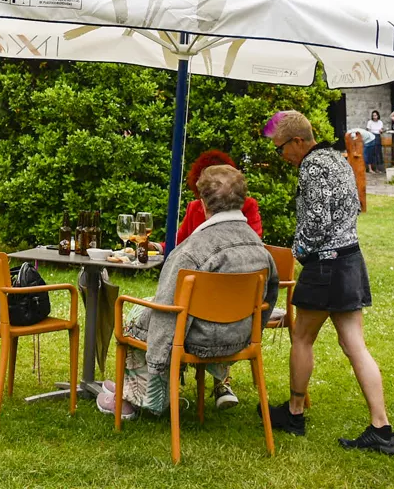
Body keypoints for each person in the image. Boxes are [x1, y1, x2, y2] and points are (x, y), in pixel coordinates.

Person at [263, 110, 394, 455]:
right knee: (355, 344)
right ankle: (381, 428)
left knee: (302, 337)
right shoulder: (337, 159)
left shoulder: (311, 166)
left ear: (297, 142)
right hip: (350, 258)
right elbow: (351, 207)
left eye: (281, 149)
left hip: (325, 265)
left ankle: (294, 414)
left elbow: (318, 220)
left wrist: (299, 249)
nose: (282, 156)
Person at [98, 164, 277, 420]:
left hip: (197, 341)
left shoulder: (191, 251)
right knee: (156, 315)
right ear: (242, 199)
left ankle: (139, 398)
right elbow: (268, 299)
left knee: (138, 317)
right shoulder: (259, 248)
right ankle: (141, 388)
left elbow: (168, 306)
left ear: (203, 202)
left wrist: (159, 363)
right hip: (239, 337)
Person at [175, 151, 263, 244]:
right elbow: (178, 242)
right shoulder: (194, 206)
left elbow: (253, 241)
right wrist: (158, 247)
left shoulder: (248, 205)